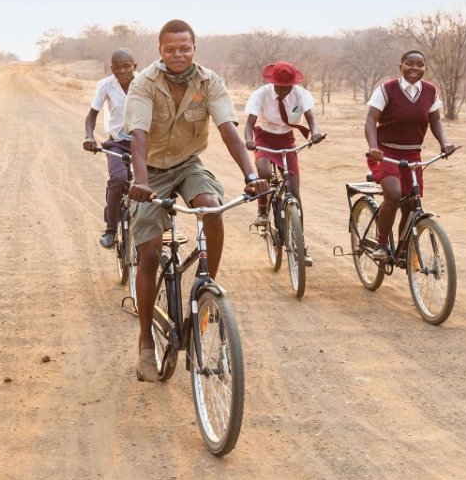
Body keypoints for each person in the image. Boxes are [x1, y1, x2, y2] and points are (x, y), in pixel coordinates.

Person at [125, 20, 267, 382]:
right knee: (152, 253)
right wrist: (140, 182)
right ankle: (145, 340)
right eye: (170, 48)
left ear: (194, 49)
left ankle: (206, 289)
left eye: (184, 48)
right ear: (160, 50)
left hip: (188, 164)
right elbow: (138, 139)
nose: (178, 54)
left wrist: (251, 176)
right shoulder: (144, 83)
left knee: (210, 205)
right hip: (151, 171)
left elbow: (228, 130)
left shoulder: (209, 82)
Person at [364, 50, 456, 263]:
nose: (415, 68)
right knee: (394, 195)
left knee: (411, 203)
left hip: (413, 153)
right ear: (401, 66)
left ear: (425, 67)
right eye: (410, 64)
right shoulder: (386, 90)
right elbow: (370, 120)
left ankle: (404, 249)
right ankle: (381, 244)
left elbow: (435, 120)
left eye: (420, 64)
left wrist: (444, 143)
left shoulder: (431, 91)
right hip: (385, 153)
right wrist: (373, 146)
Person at [243, 61, 324, 262]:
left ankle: (300, 244)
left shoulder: (300, 94)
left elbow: (311, 119)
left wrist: (315, 132)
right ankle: (263, 209)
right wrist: (250, 140)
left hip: (287, 140)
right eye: (280, 86)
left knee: (294, 192)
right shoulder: (261, 94)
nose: (284, 91)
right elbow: (249, 125)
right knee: (264, 172)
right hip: (264, 138)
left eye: (288, 87)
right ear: (273, 83)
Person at [82, 48, 137, 249]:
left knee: (155, 181)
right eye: (117, 68)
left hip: (144, 143)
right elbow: (91, 115)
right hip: (118, 144)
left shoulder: (146, 83)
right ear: (111, 68)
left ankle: (159, 227)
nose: (122, 71)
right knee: (119, 179)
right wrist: (89, 136)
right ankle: (111, 229)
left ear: (135, 67)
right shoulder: (106, 85)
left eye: (127, 66)